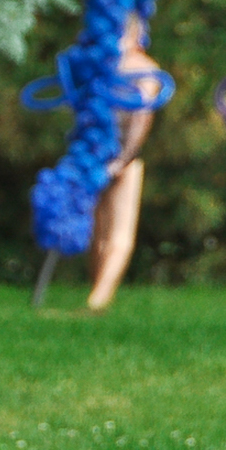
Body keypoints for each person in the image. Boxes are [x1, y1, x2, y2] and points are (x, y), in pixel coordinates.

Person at [86, 15, 163, 310]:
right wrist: (125, 158)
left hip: (96, 152)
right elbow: (141, 119)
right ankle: (98, 299)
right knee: (119, 233)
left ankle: (96, 292)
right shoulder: (146, 70)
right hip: (123, 156)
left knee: (100, 231)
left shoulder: (99, 66)